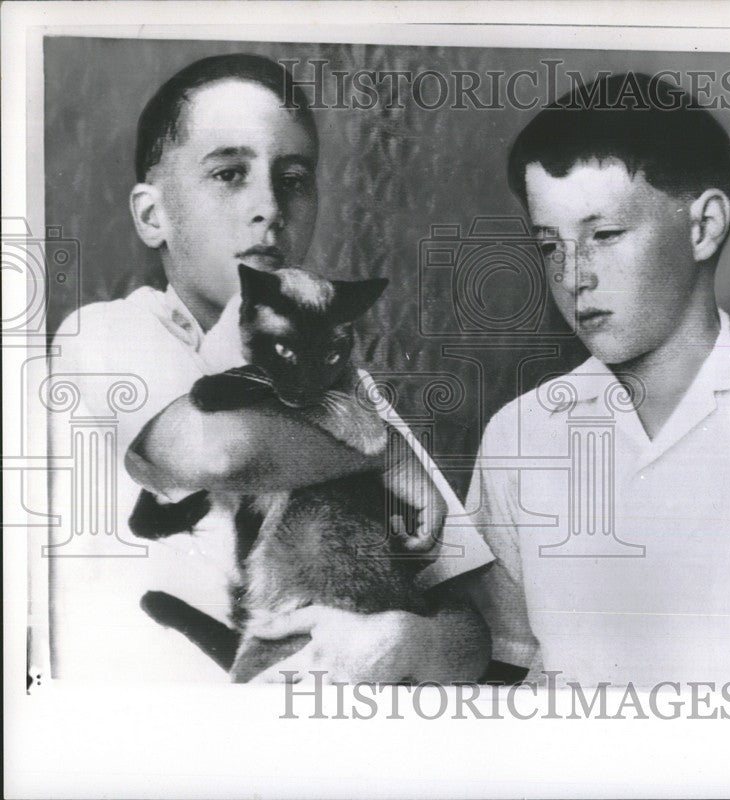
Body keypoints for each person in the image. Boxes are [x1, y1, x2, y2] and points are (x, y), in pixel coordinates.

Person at [48, 54, 494, 682]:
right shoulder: (106, 334)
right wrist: (384, 452)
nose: (269, 208)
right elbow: (219, 451)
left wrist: (407, 639)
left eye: (293, 179)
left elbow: (473, 626)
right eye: (229, 173)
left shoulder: (339, 371)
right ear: (153, 216)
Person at [459, 73, 730, 686]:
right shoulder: (520, 434)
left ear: (702, 227)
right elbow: (503, 666)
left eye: (605, 235)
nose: (573, 277)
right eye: (549, 245)